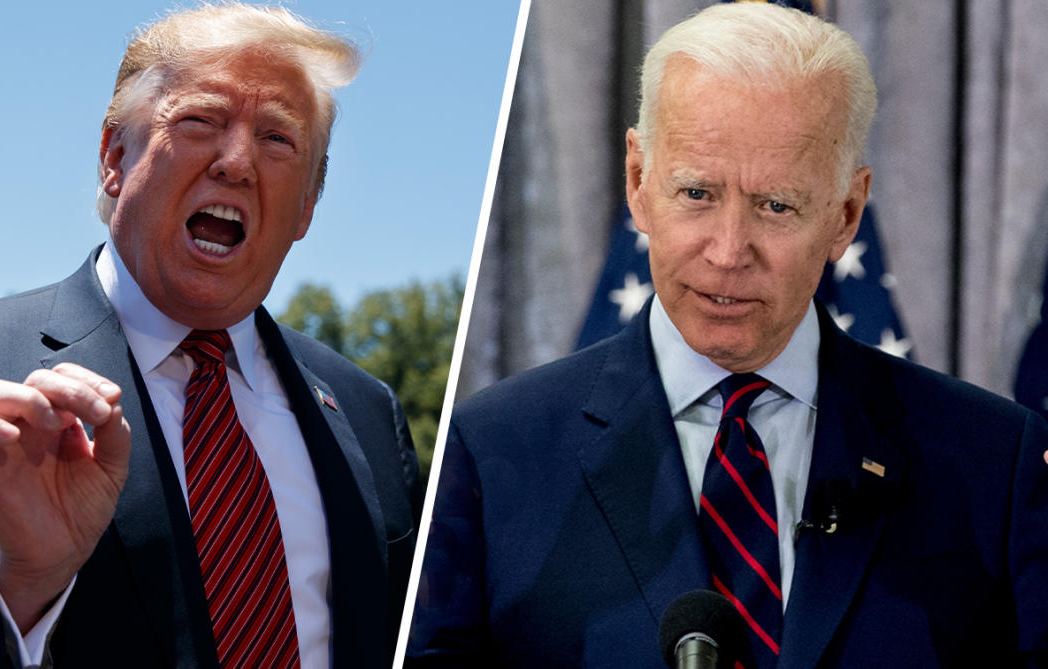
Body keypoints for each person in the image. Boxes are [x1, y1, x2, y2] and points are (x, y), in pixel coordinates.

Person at [407, 3, 1048, 667]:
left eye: (777, 206)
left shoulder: (993, 463)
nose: (729, 251)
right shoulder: (491, 452)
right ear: (638, 180)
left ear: (846, 213)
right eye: (696, 193)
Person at [0, 4, 421, 668]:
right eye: (201, 120)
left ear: (307, 205)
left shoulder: (366, 412)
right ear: (114, 156)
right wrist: (18, 581)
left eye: (279, 138)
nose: (238, 161)